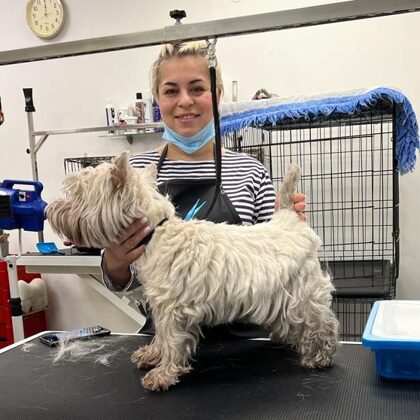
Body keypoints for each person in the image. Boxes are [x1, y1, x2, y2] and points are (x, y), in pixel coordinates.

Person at [101, 41, 306, 337]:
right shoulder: (134, 175)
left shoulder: (250, 171)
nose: (185, 101)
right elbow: (124, 280)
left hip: (243, 339)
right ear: (158, 98)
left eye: (197, 89)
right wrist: (114, 262)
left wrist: (283, 224)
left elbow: (275, 267)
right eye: (171, 91)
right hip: (168, 339)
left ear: (217, 94)